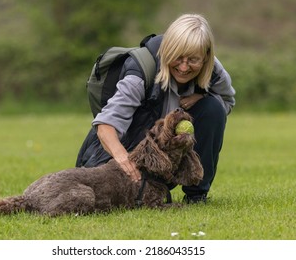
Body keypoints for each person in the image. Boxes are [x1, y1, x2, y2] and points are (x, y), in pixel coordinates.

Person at [76, 13, 235, 203]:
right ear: (167, 50)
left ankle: (196, 195)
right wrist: (124, 161)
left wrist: (200, 96)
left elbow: (226, 103)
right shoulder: (140, 74)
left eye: (193, 60)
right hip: (112, 158)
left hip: (161, 160)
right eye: (178, 58)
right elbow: (105, 126)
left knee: (213, 108)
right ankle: (142, 186)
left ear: (206, 57)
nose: (184, 68)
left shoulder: (214, 72)